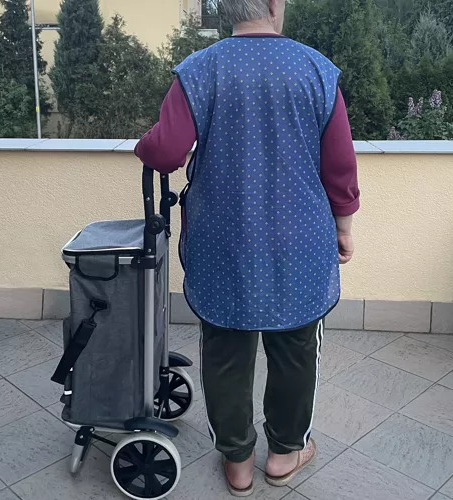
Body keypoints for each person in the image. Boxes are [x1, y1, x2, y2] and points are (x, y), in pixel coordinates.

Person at [135, 0, 359, 495]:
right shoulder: (316, 70)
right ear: (275, 4)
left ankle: (237, 461)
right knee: (296, 349)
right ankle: (285, 453)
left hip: (224, 243)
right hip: (300, 242)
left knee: (225, 352)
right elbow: (340, 166)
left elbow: (165, 150)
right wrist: (343, 227)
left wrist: (144, 143)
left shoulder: (200, 70)